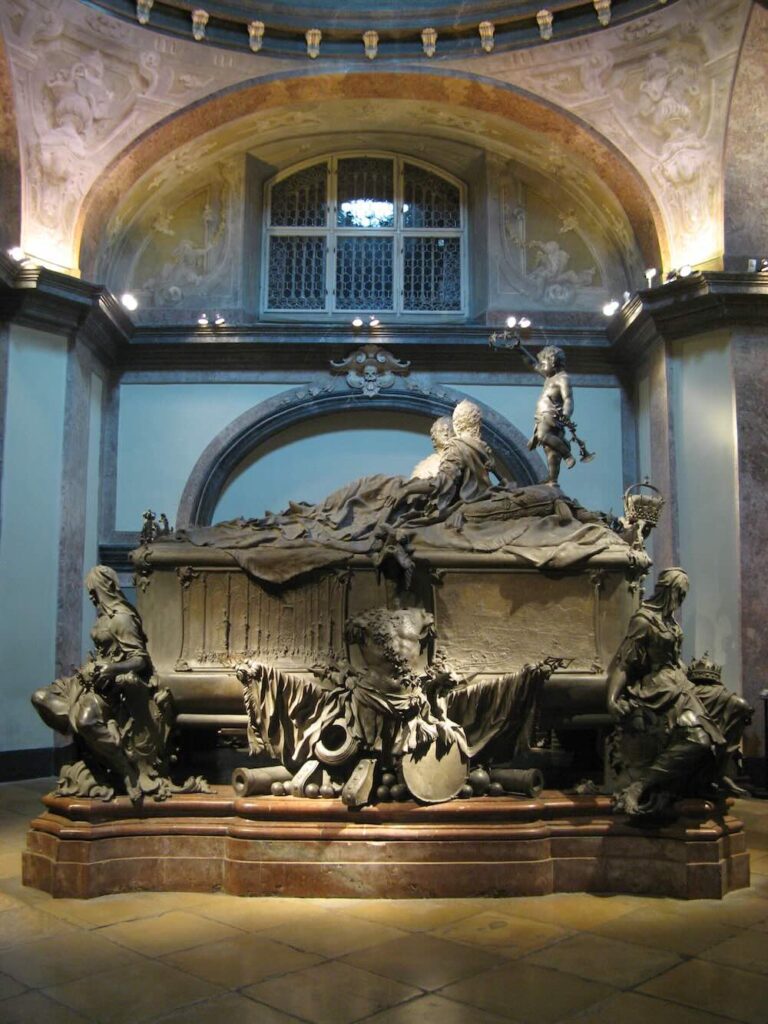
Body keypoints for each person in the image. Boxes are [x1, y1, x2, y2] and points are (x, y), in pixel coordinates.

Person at [31, 566, 199, 802]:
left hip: (107, 688)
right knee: (40, 698)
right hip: (82, 682)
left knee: (86, 720)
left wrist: (112, 669)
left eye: (93, 590)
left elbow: (140, 659)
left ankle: (126, 771)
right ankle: (99, 733)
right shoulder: (103, 617)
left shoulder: (122, 618)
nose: (91, 596)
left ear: (106, 587)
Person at [606, 567, 726, 816]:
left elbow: (676, 660)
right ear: (667, 591)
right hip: (659, 690)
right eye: (679, 594)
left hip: (680, 683)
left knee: (727, 705)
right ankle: (642, 785)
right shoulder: (643, 620)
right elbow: (625, 662)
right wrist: (612, 698)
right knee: (699, 740)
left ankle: (706, 780)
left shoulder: (670, 621)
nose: (681, 599)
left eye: (684, 594)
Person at [517, 344, 576, 485]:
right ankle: (552, 479)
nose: (541, 367)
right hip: (541, 416)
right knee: (551, 451)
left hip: (551, 416)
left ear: (553, 362)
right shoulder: (549, 377)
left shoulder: (563, 378)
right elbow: (532, 363)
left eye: (544, 364)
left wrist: (566, 415)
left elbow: (568, 399)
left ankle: (568, 455)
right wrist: (519, 348)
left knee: (542, 436)